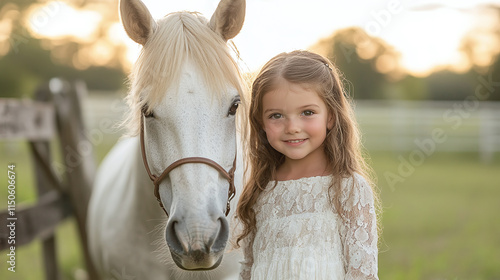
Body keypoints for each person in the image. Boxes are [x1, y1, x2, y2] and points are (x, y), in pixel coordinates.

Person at [235, 50, 380, 279]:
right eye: (276, 116)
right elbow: (248, 270)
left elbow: (363, 273)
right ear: (260, 121)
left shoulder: (349, 188)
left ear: (330, 116)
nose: (292, 126)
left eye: (307, 112)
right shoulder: (259, 191)